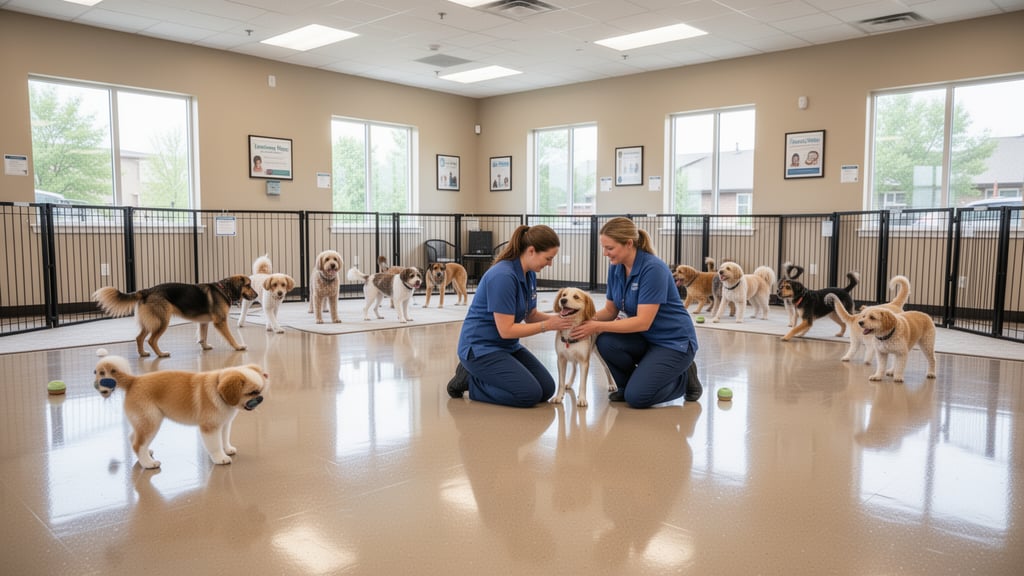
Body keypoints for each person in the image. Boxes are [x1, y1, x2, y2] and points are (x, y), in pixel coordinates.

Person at [571, 217, 701, 408]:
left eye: (610, 248)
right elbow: (610, 310)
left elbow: (642, 322)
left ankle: (683, 379)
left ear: (629, 244)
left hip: (673, 342)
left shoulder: (653, 269)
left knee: (638, 398)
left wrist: (596, 325)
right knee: (606, 341)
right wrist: (581, 320)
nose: (605, 253)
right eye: (603, 247)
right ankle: (628, 385)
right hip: (645, 339)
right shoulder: (616, 268)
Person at [447, 224, 576, 407]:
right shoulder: (503, 276)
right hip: (480, 349)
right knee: (528, 395)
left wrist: (564, 320)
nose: (550, 263)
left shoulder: (528, 273)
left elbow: (530, 315)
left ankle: (481, 376)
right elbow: (507, 330)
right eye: (548, 258)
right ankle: (471, 381)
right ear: (531, 251)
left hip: (506, 347)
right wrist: (549, 325)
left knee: (546, 389)